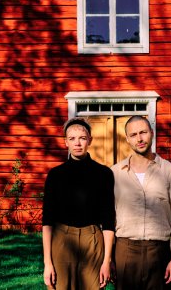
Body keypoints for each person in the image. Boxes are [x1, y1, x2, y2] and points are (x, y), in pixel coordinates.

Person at [111, 115, 171, 290]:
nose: (139, 138)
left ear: (152, 133)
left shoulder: (170, 171)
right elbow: (108, 218)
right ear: (127, 139)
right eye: (134, 134)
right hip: (125, 250)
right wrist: (108, 260)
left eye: (143, 132)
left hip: (159, 251)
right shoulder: (115, 173)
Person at [42, 117, 115, 289]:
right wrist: (47, 263)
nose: (78, 143)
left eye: (82, 138)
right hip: (62, 240)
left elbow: (109, 218)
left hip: (93, 240)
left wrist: (107, 261)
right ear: (65, 142)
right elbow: (47, 221)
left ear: (90, 140)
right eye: (72, 138)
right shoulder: (55, 175)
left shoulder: (104, 174)